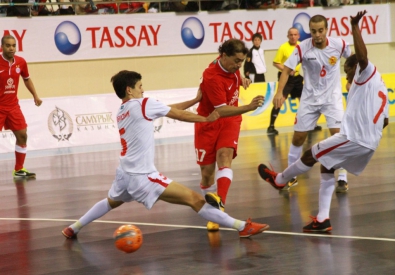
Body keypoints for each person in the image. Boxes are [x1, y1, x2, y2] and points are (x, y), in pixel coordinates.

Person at [62, 70, 269, 239]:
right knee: (194, 199)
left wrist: (195, 100)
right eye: (140, 86)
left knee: (110, 201)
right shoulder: (143, 104)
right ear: (130, 89)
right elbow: (177, 114)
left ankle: (74, 227)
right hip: (143, 176)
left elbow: (166, 109)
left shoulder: (123, 110)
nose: (143, 90)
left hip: (124, 173)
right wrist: (205, 119)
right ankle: (242, 227)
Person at [258, 10, 389, 232]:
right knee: (326, 162)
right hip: (366, 140)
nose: (347, 78)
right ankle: (323, 219)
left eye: (348, 74)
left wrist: (355, 26)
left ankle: (281, 179)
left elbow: (361, 56)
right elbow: (384, 120)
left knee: (313, 154)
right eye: (313, 31)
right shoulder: (378, 83)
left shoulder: (360, 67)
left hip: (352, 134)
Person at [270, 15, 352, 191]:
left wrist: (351, 79)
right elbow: (286, 70)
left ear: (326, 29)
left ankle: (343, 178)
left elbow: (352, 61)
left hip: (332, 99)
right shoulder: (302, 48)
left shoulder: (339, 45)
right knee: (298, 137)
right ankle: (290, 176)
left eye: (320, 30)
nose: (317, 35)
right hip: (310, 99)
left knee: (338, 137)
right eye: (313, 31)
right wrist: (279, 92)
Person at [195, 38, 265, 231]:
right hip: (208, 120)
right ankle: (213, 211)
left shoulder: (230, 65)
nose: (239, 65)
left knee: (224, 156)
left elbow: (229, 111)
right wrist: (248, 106)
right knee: (207, 174)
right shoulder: (211, 76)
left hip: (230, 119)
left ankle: (219, 207)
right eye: (236, 61)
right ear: (224, 56)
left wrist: (241, 77)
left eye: (241, 61)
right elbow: (221, 110)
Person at [0, 35, 42, 179]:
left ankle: (18, 170)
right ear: (2, 47)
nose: (11, 48)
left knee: (22, 135)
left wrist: (35, 95)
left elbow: (26, 79)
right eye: (8, 45)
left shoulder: (21, 62)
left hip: (13, 107)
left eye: (13, 45)